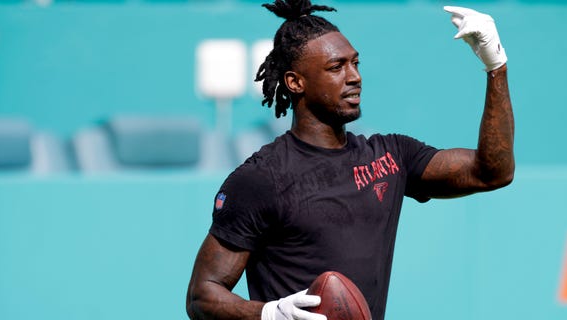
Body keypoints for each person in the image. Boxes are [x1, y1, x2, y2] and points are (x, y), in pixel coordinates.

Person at [186, 1, 514, 319]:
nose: (354, 76)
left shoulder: (392, 155)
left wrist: (495, 65)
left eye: (355, 63)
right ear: (295, 82)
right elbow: (202, 295)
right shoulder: (261, 178)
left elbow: (492, 172)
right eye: (336, 67)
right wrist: (271, 314)